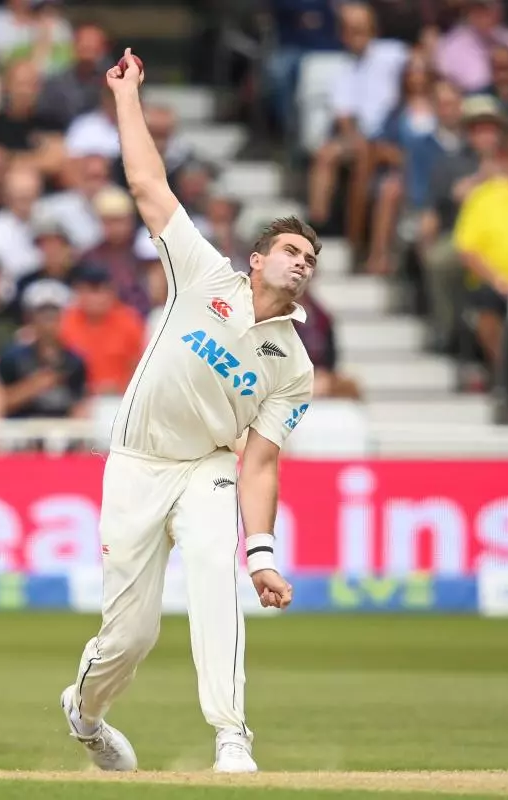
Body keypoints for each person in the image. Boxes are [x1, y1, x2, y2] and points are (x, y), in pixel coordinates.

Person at [60, 49, 316, 775]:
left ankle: (232, 734)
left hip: (206, 467)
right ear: (259, 257)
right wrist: (127, 96)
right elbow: (145, 181)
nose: (302, 263)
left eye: (312, 260)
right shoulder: (203, 274)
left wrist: (261, 554)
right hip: (137, 463)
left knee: (214, 568)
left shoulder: (294, 365)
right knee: (129, 638)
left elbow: (261, 460)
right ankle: (86, 713)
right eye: (292, 251)